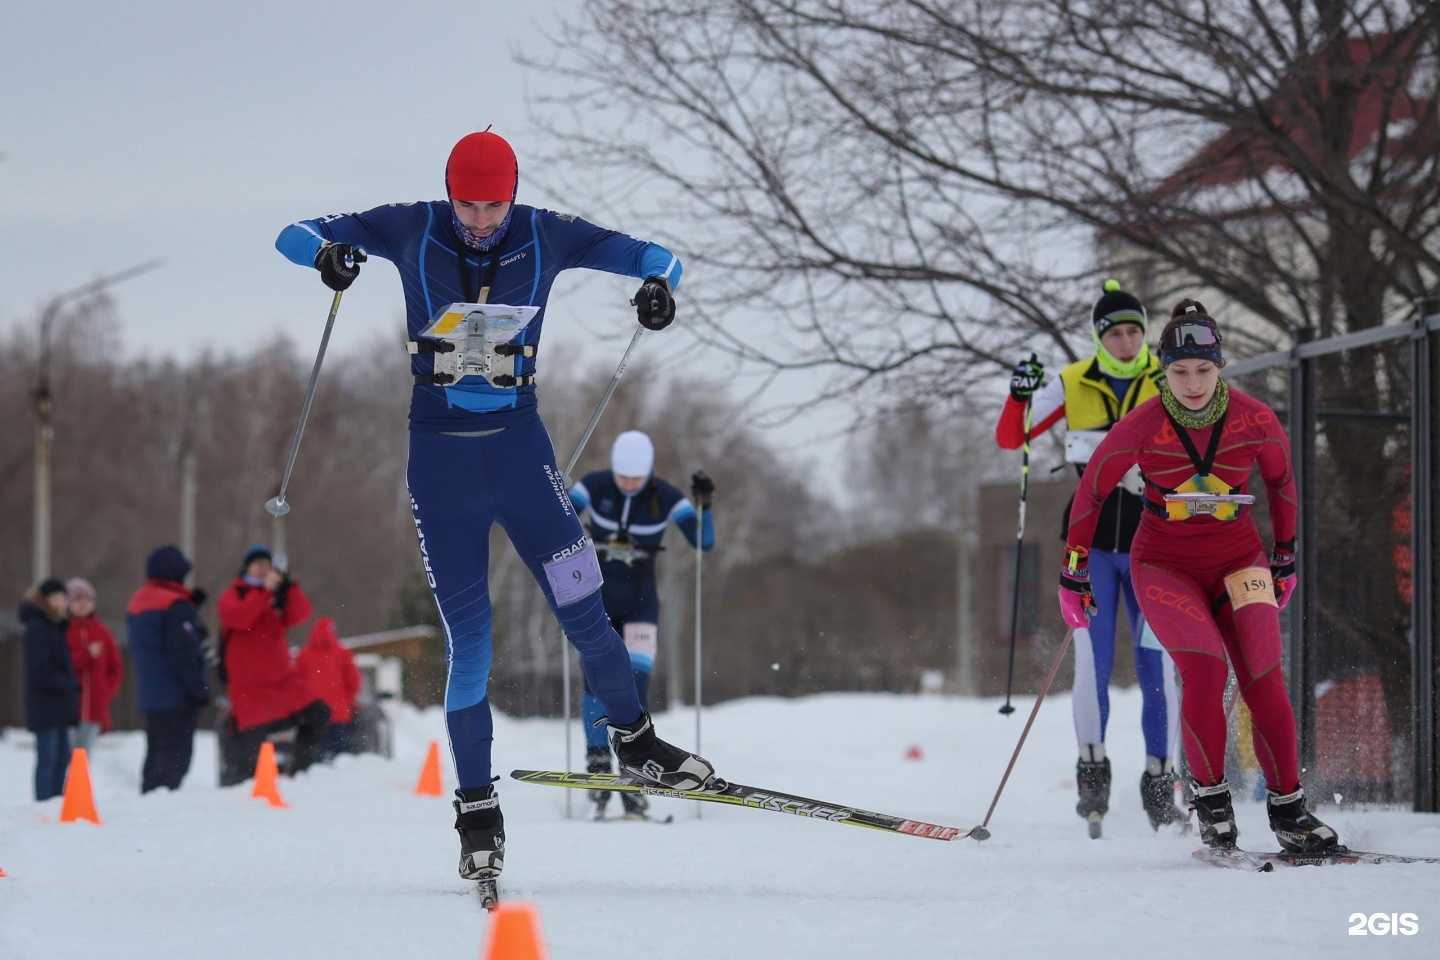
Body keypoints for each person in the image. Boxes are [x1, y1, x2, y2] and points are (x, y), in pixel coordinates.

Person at [275, 129, 715, 886]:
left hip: (520, 450)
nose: (479, 220)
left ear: (514, 194)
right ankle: (477, 807)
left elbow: (659, 256)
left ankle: (635, 740)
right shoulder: (411, 224)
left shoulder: (546, 233)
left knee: (586, 600)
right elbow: (294, 232)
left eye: (494, 204)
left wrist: (657, 287)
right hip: (441, 460)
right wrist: (326, 255)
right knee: (472, 641)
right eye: (467, 204)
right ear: (448, 194)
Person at [1057, 300, 1339, 854]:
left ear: (1220, 366)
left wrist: (1285, 557)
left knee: (1263, 679)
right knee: (1205, 673)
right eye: (1179, 372)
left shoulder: (1255, 418)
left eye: (1203, 371)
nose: (1192, 384)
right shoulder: (1142, 424)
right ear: (1163, 371)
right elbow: (1092, 489)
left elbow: (1282, 484)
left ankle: (1290, 811)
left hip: (1241, 561)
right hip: (1165, 565)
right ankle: (1211, 804)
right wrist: (1074, 574)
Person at [996, 279, 1181, 833]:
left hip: (1156, 543)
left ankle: (1159, 777)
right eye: (1115, 333)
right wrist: (1018, 393)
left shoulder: (1170, 376)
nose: (1126, 342)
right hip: (1092, 543)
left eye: (1133, 331)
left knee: (1158, 665)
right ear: (1100, 336)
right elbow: (1013, 438)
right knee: (1092, 663)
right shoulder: (1071, 381)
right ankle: (1092, 770)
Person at [568, 430, 717, 819]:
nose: (629, 484)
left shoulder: (665, 496)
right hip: (596, 600)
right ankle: (597, 761)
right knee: (595, 682)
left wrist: (704, 505)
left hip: (641, 603)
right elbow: (560, 514)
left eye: (636, 478)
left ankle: (631, 766)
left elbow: (703, 542)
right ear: (614, 470)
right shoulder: (595, 485)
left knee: (635, 683)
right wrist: (555, 495)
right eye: (623, 477)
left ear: (648, 472)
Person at [217, 545, 330, 783]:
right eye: (256, 565)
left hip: (282, 686)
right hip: (250, 690)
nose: (262, 570)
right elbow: (240, 618)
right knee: (250, 765)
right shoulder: (234, 594)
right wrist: (264, 593)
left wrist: (289, 588)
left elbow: (301, 613)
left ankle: (301, 773)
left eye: (266, 565)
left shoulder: (274, 596)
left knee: (318, 712)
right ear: (246, 568)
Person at [127, 546, 210, 793]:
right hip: (176, 696)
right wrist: (199, 689)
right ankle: (161, 808)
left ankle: (148, 803)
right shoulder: (174, 605)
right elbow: (183, 652)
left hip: (151, 695)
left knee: (156, 755)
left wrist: (189, 611)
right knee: (175, 760)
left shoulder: (138, 601)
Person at [21, 578, 79, 801]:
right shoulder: (39, 628)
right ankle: (44, 804)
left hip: (60, 705)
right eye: (56, 597)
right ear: (45, 601)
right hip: (45, 704)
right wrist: (69, 684)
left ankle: (56, 802)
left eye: (64, 597)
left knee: (62, 758)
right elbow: (41, 671)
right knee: (48, 758)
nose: (62, 602)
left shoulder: (57, 627)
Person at [65, 577, 123, 754]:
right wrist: (86, 654)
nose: (82, 604)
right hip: (68, 707)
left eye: (87, 599)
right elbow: (62, 664)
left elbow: (116, 669)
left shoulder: (103, 632)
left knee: (83, 754)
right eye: (77, 599)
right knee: (67, 755)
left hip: (95, 708)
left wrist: (105, 692)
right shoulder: (62, 631)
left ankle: (79, 783)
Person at [296, 616, 362, 760]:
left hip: (314, 716)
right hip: (339, 714)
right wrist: (348, 701)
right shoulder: (343, 654)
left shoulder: (304, 656)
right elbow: (354, 683)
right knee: (341, 759)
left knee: (317, 759)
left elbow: (296, 685)